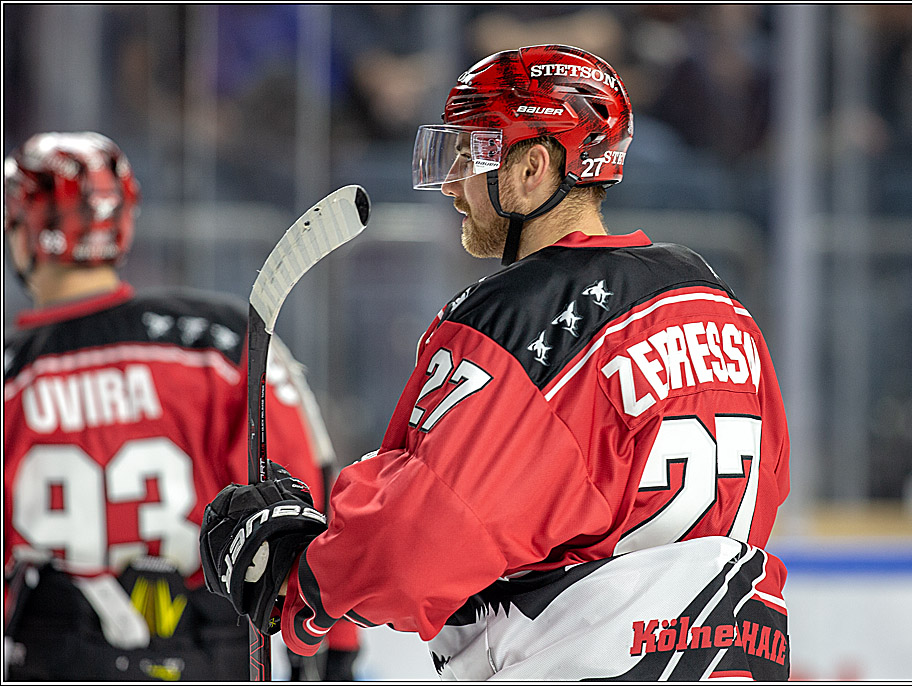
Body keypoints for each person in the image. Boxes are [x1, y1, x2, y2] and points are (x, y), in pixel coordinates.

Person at [201, 45, 790, 680]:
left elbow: (421, 541)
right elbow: (770, 484)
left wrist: (305, 577)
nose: (454, 183)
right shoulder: (717, 304)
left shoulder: (522, 314)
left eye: (471, 153)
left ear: (534, 166)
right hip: (738, 657)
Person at [2, 131, 359, 681]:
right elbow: (305, 491)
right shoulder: (214, 342)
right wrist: (336, 645)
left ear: (26, 233)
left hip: (55, 653)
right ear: (120, 225)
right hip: (208, 648)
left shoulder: (13, 376)